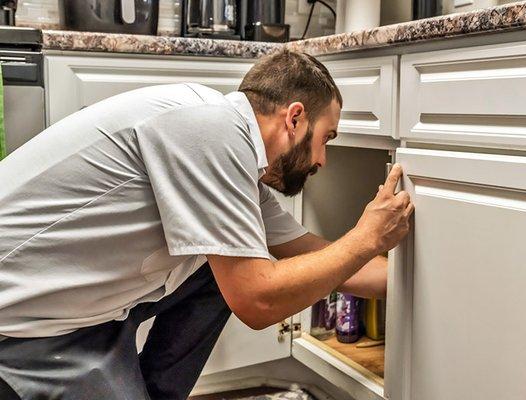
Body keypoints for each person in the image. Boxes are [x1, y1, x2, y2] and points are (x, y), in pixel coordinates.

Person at [0, 50, 414, 400]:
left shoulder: (229, 157)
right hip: (28, 323)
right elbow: (258, 300)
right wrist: (364, 238)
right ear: (295, 118)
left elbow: (323, 258)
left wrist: (445, 291)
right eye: (328, 137)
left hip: (85, 310)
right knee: (239, 275)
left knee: (227, 267)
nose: (322, 160)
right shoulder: (211, 129)